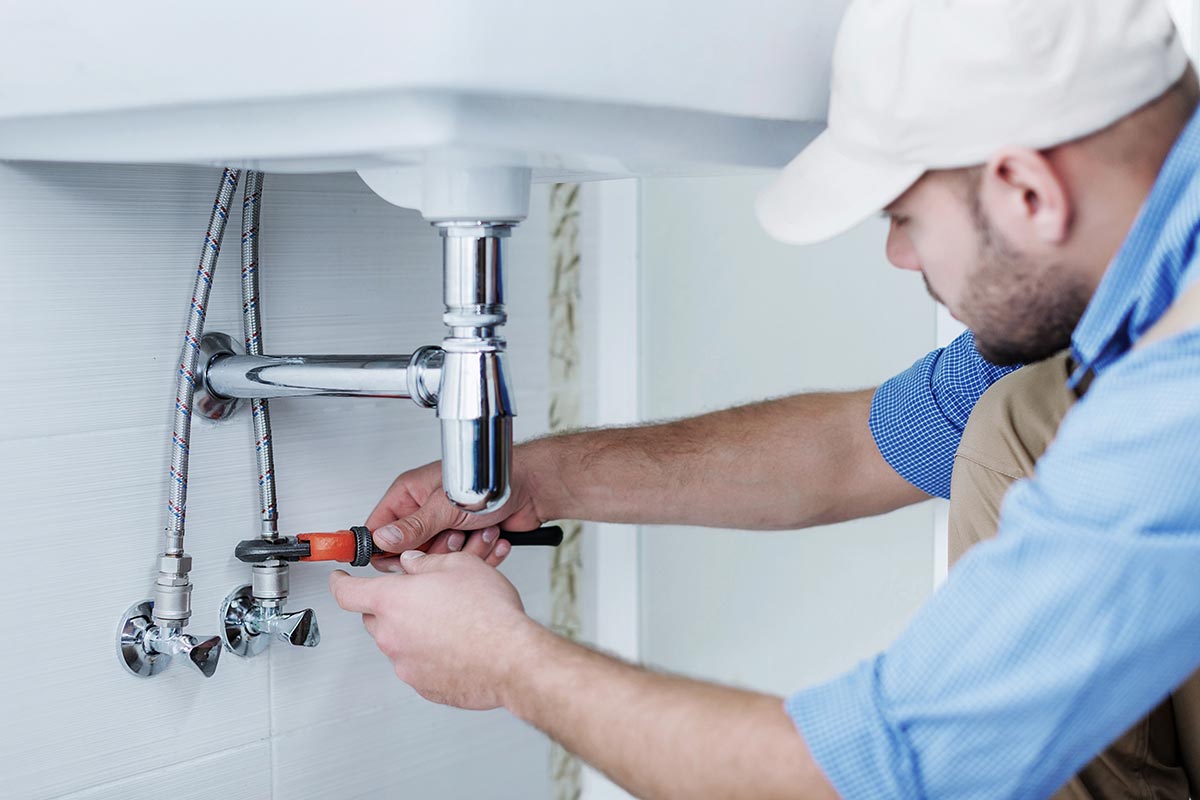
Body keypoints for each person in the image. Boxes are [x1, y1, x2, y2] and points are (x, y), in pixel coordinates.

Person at [329, 0, 1200, 796]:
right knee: (1013, 418)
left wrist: (508, 663)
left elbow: (891, 776)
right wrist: (541, 479)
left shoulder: (1180, 395)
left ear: (1027, 192)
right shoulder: (1140, 284)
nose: (898, 257)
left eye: (902, 215)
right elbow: (856, 449)